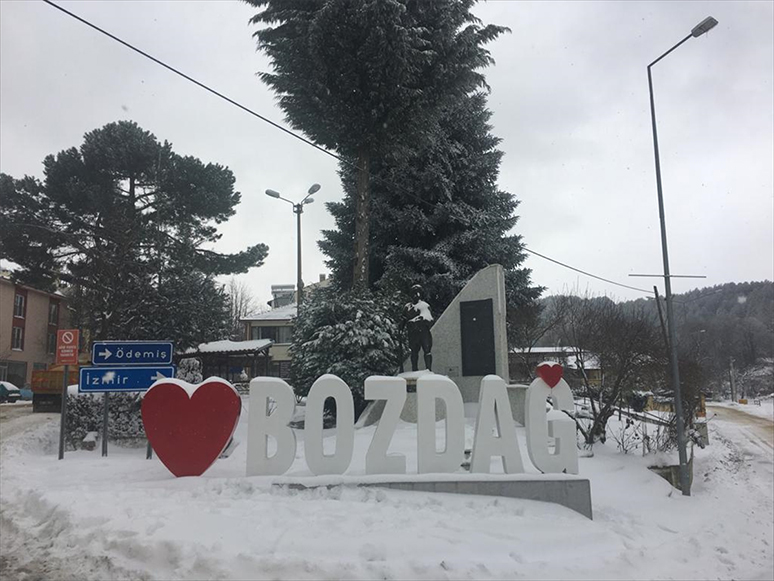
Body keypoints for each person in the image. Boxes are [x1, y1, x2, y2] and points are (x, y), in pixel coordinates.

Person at [402, 284, 433, 372]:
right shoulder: (407, 307)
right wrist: (402, 324)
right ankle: (414, 369)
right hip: (412, 334)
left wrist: (420, 319)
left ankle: (428, 369)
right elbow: (403, 318)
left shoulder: (424, 306)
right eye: (414, 293)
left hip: (423, 333)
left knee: (427, 351)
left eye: (417, 293)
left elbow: (429, 318)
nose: (416, 295)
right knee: (414, 352)